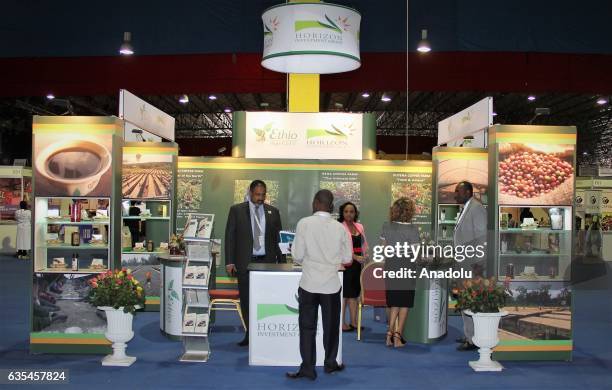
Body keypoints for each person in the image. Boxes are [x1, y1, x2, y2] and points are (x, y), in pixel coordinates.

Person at [287, 190, 352, 381]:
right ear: (331, 206)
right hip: (331, 286)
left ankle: (308, 368)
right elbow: (348, 258)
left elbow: (297, 255)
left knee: (307, 328)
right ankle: (330, 364)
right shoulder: (340, 228)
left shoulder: (304, 223)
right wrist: (332, 259)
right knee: (331, 327)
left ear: (315, 203)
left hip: (308, 284)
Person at [224, 180, 284, 347]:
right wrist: (229, 262)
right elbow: (230, 237)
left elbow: (279, 240)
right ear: (250, 193)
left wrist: (283, 263)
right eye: (257, 194)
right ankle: (250, 334)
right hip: (246, 262)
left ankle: (266, 332)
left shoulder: (273, 212)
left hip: (267, 263)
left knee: (267, 298)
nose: (260, 198)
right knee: (247, 300)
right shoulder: (236, 210)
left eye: (263, 195)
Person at [453, 181, 487, 351]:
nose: (455, 195)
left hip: (472, 265)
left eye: (457, 191)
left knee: (471, 302)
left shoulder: (476, 208)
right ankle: (468, 335)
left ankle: (473, 339)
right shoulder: (466, 207)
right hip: (463, 264)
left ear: (467, 192)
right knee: (465, 300)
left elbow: (481, 238)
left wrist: (479, 264)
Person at [381, 198, 420, 348]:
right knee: (404, 303)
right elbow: (416, 254)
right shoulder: (413, 229)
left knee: (394, 302)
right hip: (407, 266)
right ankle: (397, 338)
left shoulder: (387, 226)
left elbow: (384, 249)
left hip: (391, 265)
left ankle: (388, 335)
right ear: (409, 211)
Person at [338, 202, 368, 332]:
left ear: (355, 213)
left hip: (357, 265)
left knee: (355, 294)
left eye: (351, 211)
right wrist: (355, 257)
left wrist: (365, 254)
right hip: (344, 265)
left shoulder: (359, 226)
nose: (349, 214)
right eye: (346, 211)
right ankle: (341, 323)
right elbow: (339, 248)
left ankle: (354, 322)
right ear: (342, 213)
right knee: (344, 295)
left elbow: (363, 244)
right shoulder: (339, 227)